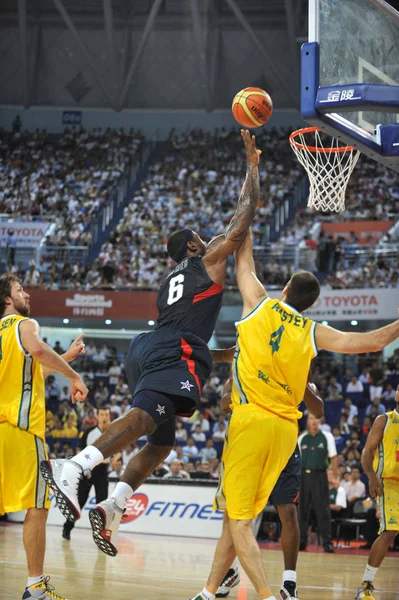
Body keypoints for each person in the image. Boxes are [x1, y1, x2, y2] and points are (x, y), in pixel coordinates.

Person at [40, 130, 262, 557]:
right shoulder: (208, 258)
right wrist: (252, 163)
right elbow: (246, 212)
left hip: (152, 348)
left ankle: (114, 504)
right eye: (202, 238)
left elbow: (183, 333)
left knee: (162, 443)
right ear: (196, 245)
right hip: (168, 349)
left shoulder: (168, 282)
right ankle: (75, 466)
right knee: (143, 420)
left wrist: (221, 355)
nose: (209, 240)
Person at [190, 230, 399, 600]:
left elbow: (243, 256)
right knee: (235, 515)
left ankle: (270, 596)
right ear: (310, 305)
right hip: (286, 431)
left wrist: (249, 204)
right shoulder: (314, 332)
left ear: (285, 288)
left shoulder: (260, 303)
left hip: (251, 421)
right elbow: (374, 342)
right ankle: (208, 592)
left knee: (239, 519)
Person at [0, 273, 88, 600]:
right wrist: (75, 376)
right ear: (8, 300)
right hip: (22, 431)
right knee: (38, 505)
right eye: (19, 290)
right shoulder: (25, 324)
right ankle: (35, 587)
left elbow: (31, 369)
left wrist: (64, 360)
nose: (26, 294)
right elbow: (36, 349)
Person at [213, 372, 324, 600]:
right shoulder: (242, 369)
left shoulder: (295, 370)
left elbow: (318, 410)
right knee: (238, 517)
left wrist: (298, 380)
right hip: (249, 444)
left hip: (283, 445)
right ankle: (231, 569)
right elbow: (224, 404)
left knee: (288, 513)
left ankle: (289, 582)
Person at [354, 384, 399, 600]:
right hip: (388, 482)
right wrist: (372, 476)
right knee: (390, 531)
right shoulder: (385, 419)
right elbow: (367, 451)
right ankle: (365, 585)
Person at [62, 407, 112, 541]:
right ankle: (67, 527)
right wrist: (84, 465)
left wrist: (114, 458)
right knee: (79, 502)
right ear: (97, 416)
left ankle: (100, 535)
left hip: (103, 471)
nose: (104, 417)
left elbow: (119, 451)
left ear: (110, 417)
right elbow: (79, 450)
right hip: (89, 470)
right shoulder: (89, 432)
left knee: (102, 505)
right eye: (102, 414)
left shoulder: (114, 432)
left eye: (106, 414)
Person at [298, 414, 338, 553]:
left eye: (316, 418)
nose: (314, 421)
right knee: (301, 510)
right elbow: (297, 460)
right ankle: (301, 541)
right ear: (307, 421)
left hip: (320, 475)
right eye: (311, 419)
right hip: (303, 476)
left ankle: (327, 542)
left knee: (323, 510)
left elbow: (333, 458)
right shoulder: (302, 438)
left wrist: (335, 476)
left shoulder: (327, 437)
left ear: (320, 421)